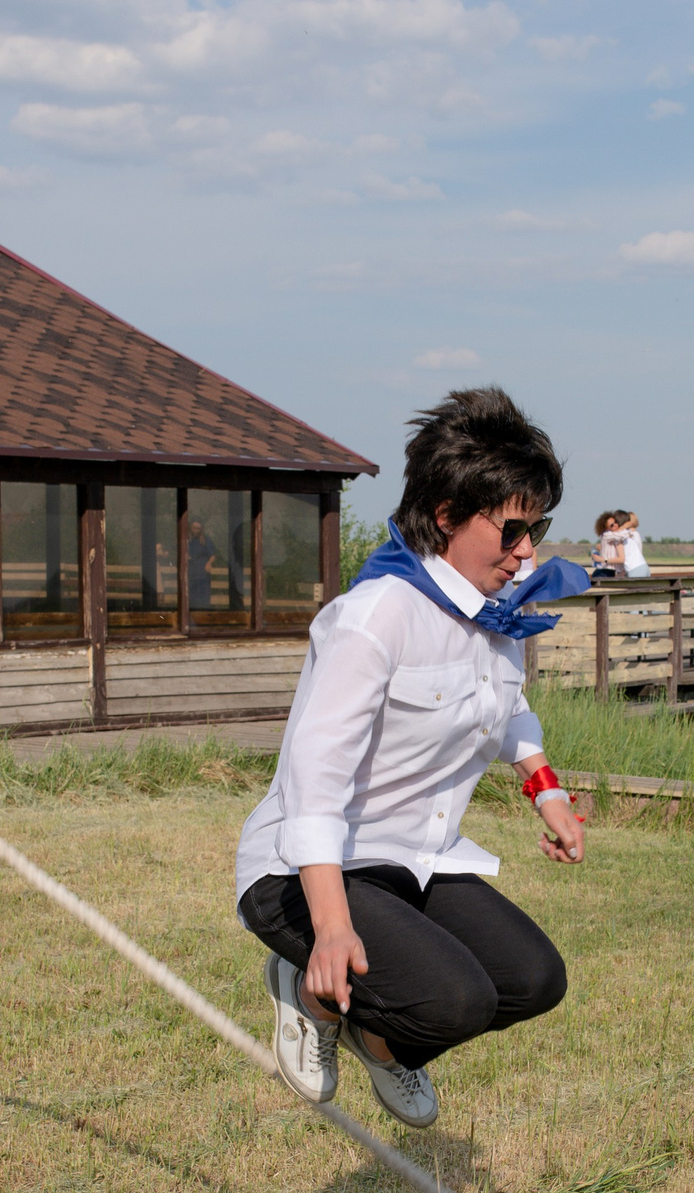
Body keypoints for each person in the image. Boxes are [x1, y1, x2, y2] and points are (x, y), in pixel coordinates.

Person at [237, 387, 588, 1128]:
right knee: (454, 999)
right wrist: (331, 928)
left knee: (532, 979)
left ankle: (379, 1036)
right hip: (302, 871)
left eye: (540, 525)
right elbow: (315, 780)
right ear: (447, 517)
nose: (529, 550)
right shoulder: (376, 618)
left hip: (413, 859)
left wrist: (546, 789)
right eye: (514, 528)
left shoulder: (500, 619)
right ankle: (305, 990)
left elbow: (507, 708)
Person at [603, 510, 650, 579]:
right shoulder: (628, 532)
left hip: (634, 569)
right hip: (644, 566)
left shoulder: (617, 537)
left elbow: (621, 559)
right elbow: (631, 523)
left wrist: (603, 560)